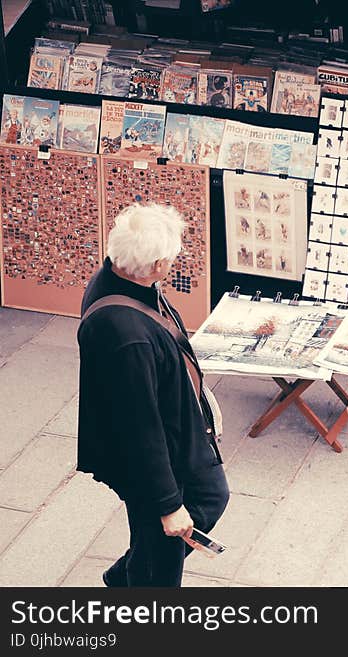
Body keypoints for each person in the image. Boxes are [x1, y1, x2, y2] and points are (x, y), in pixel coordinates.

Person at [77, 203, 229, 587]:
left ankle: (128, 573)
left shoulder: (120, 276)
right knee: (162, 559)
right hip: (157, 456)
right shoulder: (126, 337)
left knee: (210, 498)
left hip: (172, 431)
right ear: (158, 265)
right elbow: (139, 430)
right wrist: (168, 506)